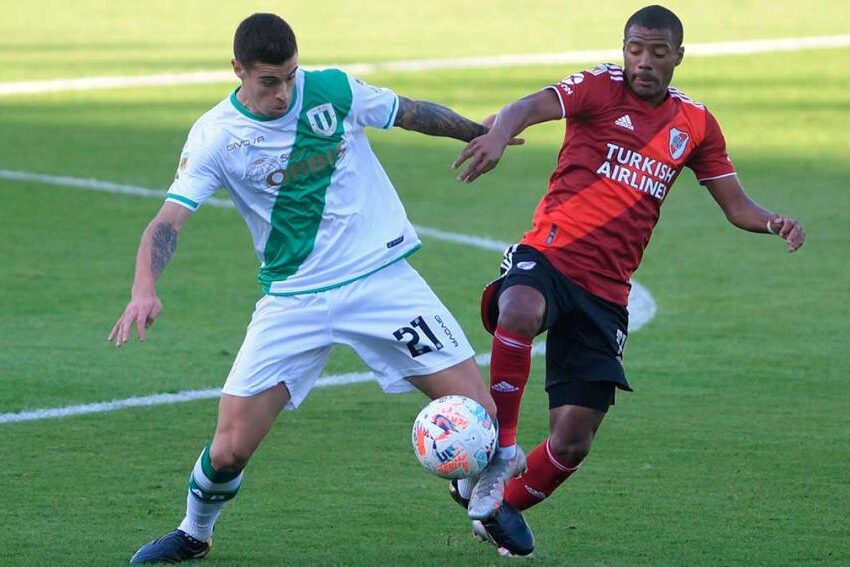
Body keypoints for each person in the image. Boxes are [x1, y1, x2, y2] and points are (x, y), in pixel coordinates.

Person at [108, 13, 532, 563]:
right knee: (231, 448)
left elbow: (409, 113)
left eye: (289, 76)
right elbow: (167, 222)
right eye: (268, 81)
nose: (283, 92)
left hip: (382, 280)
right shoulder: (216, 135)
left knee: (479, 417)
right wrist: (145, 288)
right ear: (238, 69)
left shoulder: (330, 89)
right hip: (294, 301)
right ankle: (194, 532)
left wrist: (481, 132)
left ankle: (476, 489)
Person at [450, 3, 805, 554]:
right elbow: (528, 105)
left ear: (678, 57)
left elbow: (735, 205)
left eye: (657, 53)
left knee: (573, 440)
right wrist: (497, 135)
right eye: (635, 50)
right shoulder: (597, 87)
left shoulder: (696, 124)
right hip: (552, 252)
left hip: (608, 290)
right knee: (519, 306)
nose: (643, 62)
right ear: (624, 50)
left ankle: (498, 505)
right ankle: (500, 454)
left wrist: (772, 221)